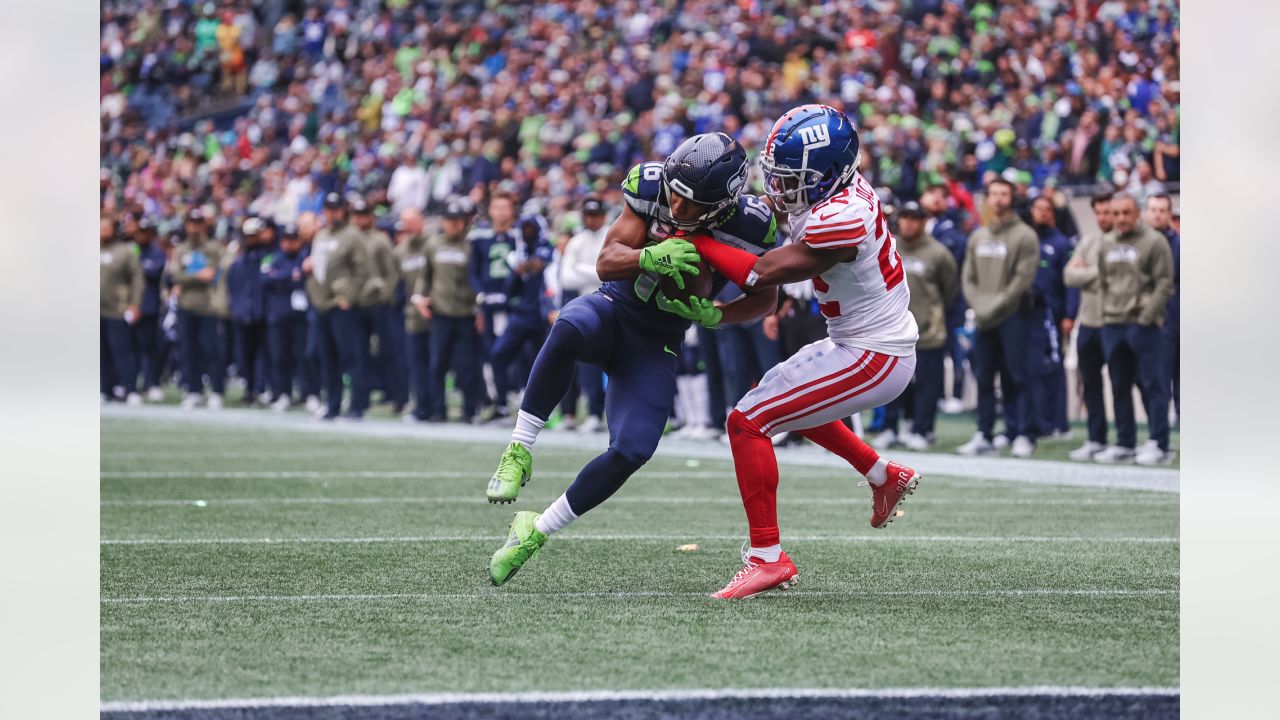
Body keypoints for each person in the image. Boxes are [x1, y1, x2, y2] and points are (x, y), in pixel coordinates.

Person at [485, 132, 779, 587]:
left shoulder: (750, 225)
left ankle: (535, 530)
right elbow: (607, 261)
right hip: (614, 309)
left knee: (634, 448)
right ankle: (520, 447)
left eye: (692, 203)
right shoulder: (650, 185)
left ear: (723, 204)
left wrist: (719, 313)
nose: (678, 209)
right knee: (568, 326)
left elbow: (766, 297)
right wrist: (648, 256)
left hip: (658, 340)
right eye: (675, 196)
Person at [668, 106, 922, 600]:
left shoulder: (842, 217)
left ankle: (767, 558)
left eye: (791, 179)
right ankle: (883, 474)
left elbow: (762, 272)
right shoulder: (835, 190)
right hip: (854, 339)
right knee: (780, 404)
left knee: (748, 421)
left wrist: (694, 237)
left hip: (875, 353)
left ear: (828, 174)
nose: (779, 188)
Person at [954, 179, 1041, 458]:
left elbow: (1022, 280)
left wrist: (991, 307)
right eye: (994, 194)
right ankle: (984, 433)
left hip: (1013, 316)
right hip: (983, 317)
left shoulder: (1025, 235)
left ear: (1012, 198)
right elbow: (968, 276)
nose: (999, 199)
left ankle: (1023, 433)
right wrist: (979, 305)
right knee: (983, 376)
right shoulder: (978, 236)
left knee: (1017, 376)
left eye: (1004, 193)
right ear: (988, 199)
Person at [1095, 193, 1175, 465]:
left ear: (1137, 213)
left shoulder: (1155, 241)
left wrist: (1146, 318)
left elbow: (1165, 283)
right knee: (1118, 385)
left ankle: (1159, 443)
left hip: (1144, 325)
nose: (1120, 219)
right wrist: (1106, 313)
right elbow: (1103, 281)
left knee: (1153, 384)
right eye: (1115, 214)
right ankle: (1125, 442)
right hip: (1113, 324)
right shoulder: (1105, 243)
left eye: (1126, 213)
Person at [874, 202, 956, 451]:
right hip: (894, 330)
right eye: (905, 218)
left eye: (914, 218)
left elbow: (949, 290)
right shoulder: (889, 246)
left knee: (928, 384)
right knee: (892, 383)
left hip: (928, 330)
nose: (908, 223)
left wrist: (934, 316)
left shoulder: (939, 253)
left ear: (923, 221)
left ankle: (923, 429)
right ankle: (891, 428)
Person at [414, 198, 485, 422]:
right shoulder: (433, 244)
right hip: (440, 314)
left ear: (465, 222)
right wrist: (419, 297)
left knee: (467, 367)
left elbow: (480, 278)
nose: (453, 225)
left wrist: (480, 308)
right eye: (449, 220)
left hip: (466, 314)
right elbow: (424, 276)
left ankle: (469, 410)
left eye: (457, 221)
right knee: (437, 365)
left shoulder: (472, 245)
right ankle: (437, 410)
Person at [487, 211, 555, 420]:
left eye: (530, 229)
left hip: (545, 316)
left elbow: (538, 264)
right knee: (498, 354)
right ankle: (501, 405)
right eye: (524, 229)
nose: (527, 233)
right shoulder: (518, 253)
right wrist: (518, 270)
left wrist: (522, 265)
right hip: (523, 314)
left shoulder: (548, 250)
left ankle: (543, 411)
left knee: (544, 364)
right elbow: (510, 290)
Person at [1064, 192, 1117, 461]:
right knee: (1091, 384)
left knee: (1123, 384)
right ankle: (1096, 439)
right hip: (1088, 322)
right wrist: (1100, 273)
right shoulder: (1088, 241)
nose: (1104, 217)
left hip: (1115, 321)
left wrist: (1088, 272)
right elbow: (1069, 275)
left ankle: (1125, 440)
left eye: (1109, 211)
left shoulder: (1121, 243)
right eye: (1100, 212)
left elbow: (1120, 277)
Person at [309, 192, 366, 420]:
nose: (332, 213)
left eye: (336, 209)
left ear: (343, 210)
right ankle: (332, 404)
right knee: (327, 356)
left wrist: (349, 297)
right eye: (328, 209)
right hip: (322, 303)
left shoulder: (353, 235)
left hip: (341, 305)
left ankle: (357, 405)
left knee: (350, 356)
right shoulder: (321, 235)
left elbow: (362, 271)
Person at [555, 197, 610, 432]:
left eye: (596, 214)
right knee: (583, 362)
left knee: (606, 362)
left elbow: (611, 274)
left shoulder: (611, 235)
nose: (592, 219)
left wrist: (584, 270)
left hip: (610, 303)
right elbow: (566, 278)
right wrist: (598, 271)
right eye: (588, 215)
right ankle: (583, 413)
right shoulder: (577, 241)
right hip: (585, 304)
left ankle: (600, 414)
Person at [167, 208, 226, 409]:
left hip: (208, 306)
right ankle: (193, 390)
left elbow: (214, 274)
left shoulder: (213, 248)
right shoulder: (180, 249)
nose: (193, 228)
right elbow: (175, 276)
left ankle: (217, 390)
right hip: (186, 305)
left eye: (197, 224)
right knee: (188, 350)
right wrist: (196, 276)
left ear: (203, 226)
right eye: (190, 223)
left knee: (211, 349)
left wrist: (188, 278)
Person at [468, 193, 520, 415]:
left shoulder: (519, 235)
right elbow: (473, 270)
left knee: (518, 352)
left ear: (512, 211)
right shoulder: (479, 236)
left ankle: (517, 394)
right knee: (491, 353)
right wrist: (480, 295)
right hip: (488, 305)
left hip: (515, 306)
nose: (500, 212)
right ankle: (497, 399)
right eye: (496, 207)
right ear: (490, 211)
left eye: (504, 207)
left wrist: (511, 294)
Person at [353, 199, 407, 413]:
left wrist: (385, 295)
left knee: (388, 352)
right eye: (356, 215)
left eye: (363, 214)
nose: (360, 219)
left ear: (370, 217)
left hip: (379, 304)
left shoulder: (380, 240)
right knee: (359, 353)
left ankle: (398, 396)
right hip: (357, 303)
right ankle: (361, 397)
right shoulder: (351, 240)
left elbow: (391, 273)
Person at [919, 185, 968, 413]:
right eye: (930, 195)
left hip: (950, 304)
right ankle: (936, 394)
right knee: (931, 353)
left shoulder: (952, 234)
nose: (932, 200)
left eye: (938, 197)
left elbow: (953, 276)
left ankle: (956, 395)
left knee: (955, 349)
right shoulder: (922, 229)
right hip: (925, 304)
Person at [1029, 195, 1072, 439]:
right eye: (1038, 209)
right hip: (1030, 315)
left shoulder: (1062, 243)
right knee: (1033, 369)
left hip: (1053, 315)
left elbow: (1069, 284)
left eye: (1047, 209)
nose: (1042, 213)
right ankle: (1040, 421)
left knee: (1054, 368)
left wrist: (1069, 314)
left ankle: (1059, 422)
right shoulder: (1028, 240)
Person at [262, 224, 311, 411]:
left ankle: (308, 393)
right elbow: (265, 279)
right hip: (277, 316)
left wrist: (281, 278)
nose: (289, 244)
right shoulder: (273, 258)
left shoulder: (304, 257)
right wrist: (291, 276)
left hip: (300, 317)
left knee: (303, 357)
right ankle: (283, 393)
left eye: (293, 240)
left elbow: (303, 278)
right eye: (286, 240)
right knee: (279, 357)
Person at [394, 208, 434, 421]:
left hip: (437, 314)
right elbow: (396, 283)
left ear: (421, 221)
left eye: (412, 221)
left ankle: (439, 408)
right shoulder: (400, 251)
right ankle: (422, 408)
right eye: (405, 222)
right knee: (417, 366)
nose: (408, 226)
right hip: (412, 316)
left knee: (437, 365)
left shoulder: (434, 245)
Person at [227, 216, 271, 405]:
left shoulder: (268, 258)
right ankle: (250, 389)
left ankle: (261, 389)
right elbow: (234, 287)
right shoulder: (238, 262)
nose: (251, 239)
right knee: (245, 354)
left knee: (264, 354)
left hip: (263, 314)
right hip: (244, 314)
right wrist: (237, 309)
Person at [101, 216, 144, 405]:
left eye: (105, 227)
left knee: (122, 352)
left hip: (117, 309)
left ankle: (130, 388)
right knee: (100, 353)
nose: (102, 231)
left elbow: (137, 279)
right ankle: (105, 389)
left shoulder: (125, 252)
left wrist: (134, 304)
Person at [1145, 193, 1179, 425]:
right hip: (1149, 321)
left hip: (1175, 318)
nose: (1157, 214)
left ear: (1168, 214)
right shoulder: (1139, 244)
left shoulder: (1179, 244)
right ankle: (1158, 422)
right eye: (1153, 209)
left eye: (1161, 210)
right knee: (1154, 377)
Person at [132, 217, 168, 402]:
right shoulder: (132, 250)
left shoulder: (157, 252)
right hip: (130, 306)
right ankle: (130, 384)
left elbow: (155, 271)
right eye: (140, 232)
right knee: (130, 347)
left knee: (150, 347)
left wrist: (135, 268)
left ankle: (152, 382)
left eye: (146, 232)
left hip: (149, 306)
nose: (142, 236)